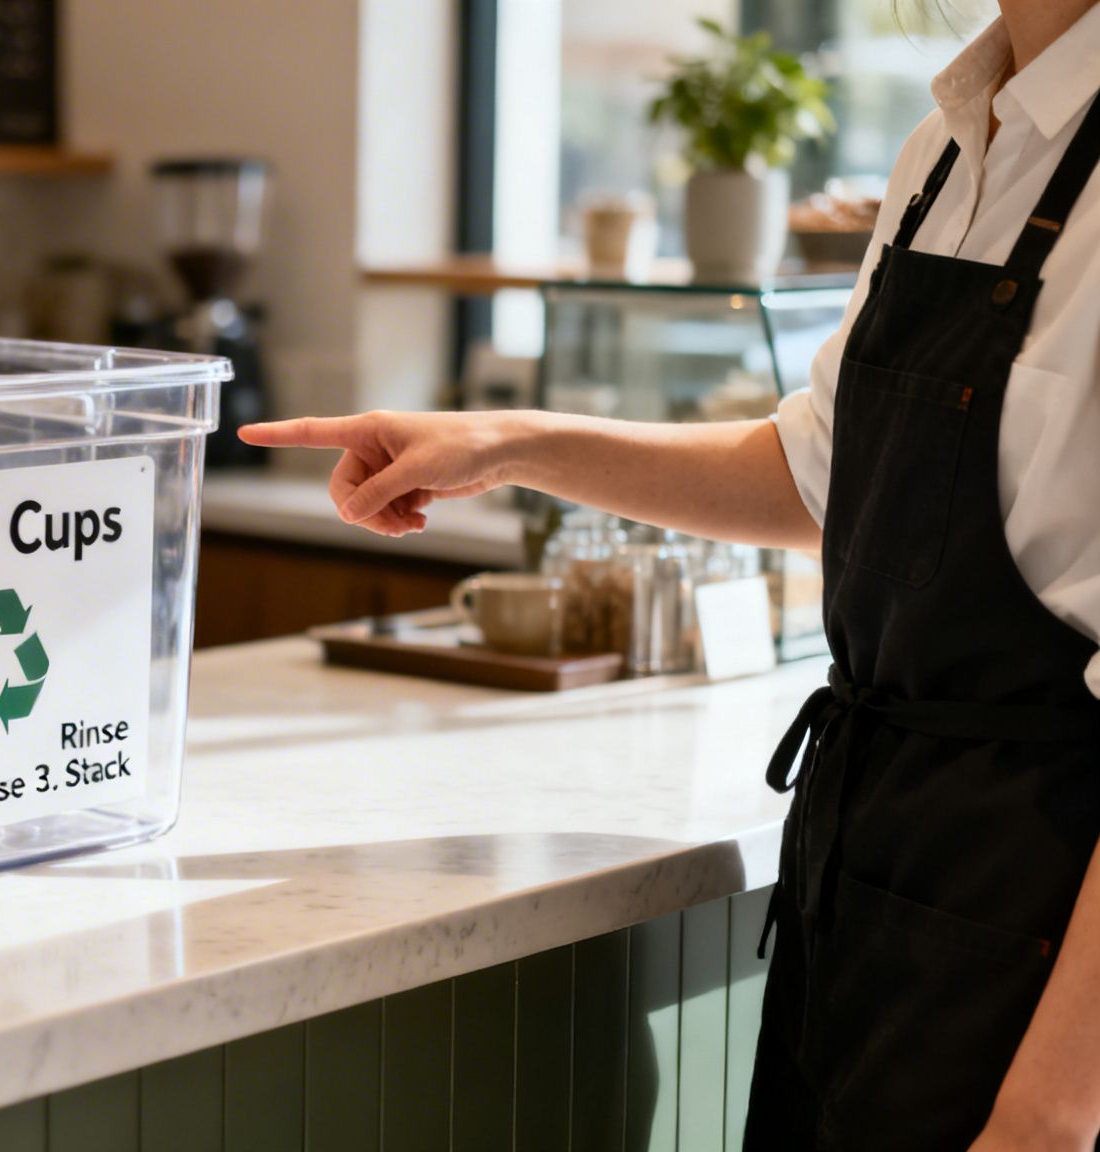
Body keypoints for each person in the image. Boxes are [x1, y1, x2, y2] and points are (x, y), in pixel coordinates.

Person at [240, 2, 1100, 1148]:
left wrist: (1049, 1120)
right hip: (866, 893)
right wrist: (510, 444)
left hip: (1040, 954)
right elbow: (819, 475)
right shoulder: (944, 147)